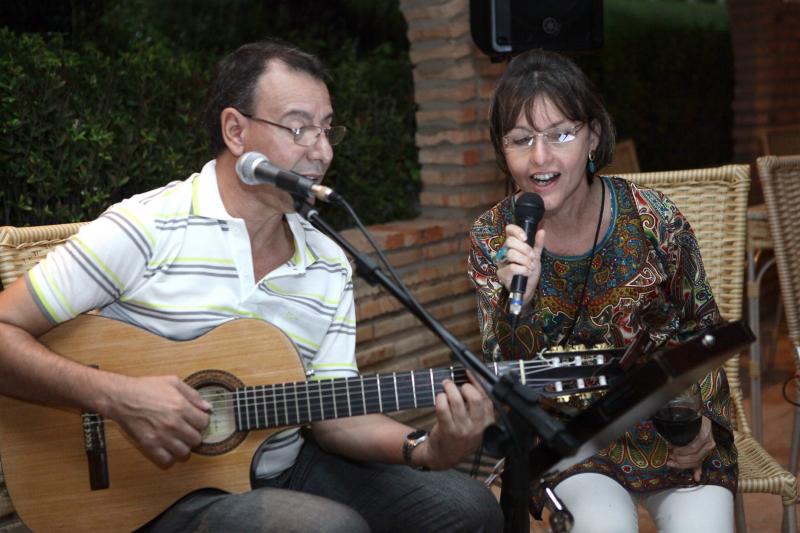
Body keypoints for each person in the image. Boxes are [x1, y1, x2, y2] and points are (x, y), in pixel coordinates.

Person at [0, 40, 503, 532]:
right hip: (151, 493)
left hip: (284, 468)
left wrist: (427, 448)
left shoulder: (327, 260)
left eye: (327, 130)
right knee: (326, 528)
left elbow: (336, 415)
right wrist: (117, 397)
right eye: (299, 128)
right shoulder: (147, 227)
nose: (322, 151)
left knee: (469, 507)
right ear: (235, 131)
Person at [467, 49, 736, 533]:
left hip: (670, 428)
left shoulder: (655, 219)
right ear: (502, 150)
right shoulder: (494, 237)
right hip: (570, 438)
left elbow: (703, 330)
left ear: (593, 135)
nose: (540, 158)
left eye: (560, 134)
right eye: (521, 139)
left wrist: (704, 424)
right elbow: (507, 376)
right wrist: (519, 303)